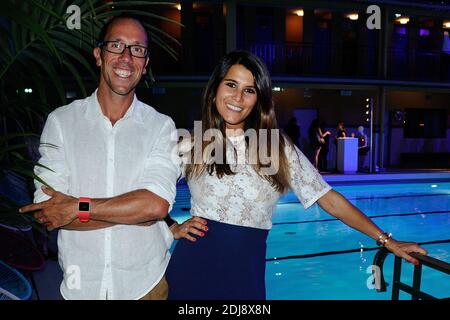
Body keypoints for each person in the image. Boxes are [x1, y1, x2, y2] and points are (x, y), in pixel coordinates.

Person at [164, 50, 427, 300]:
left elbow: (328, 198)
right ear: (215, 90)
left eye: (249, 90)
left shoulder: (276, 147)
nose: (238, 97)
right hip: (194, 268)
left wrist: (387, 241)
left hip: (246, 274)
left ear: (259, 100)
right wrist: (171, 226)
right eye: (231, 85)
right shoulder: (193, 143)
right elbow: (148, 190)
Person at [19, 15, 180, 300]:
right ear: (98, 55)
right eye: (116, 45)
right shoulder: (61, 122)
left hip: (146, 287)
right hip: (82, 288)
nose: (127, 57)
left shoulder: (161, 126)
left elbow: (155, 206)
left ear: (145, 65)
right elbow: (50, 211)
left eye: (137, 49)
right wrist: (133, 214)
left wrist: (77, 207)